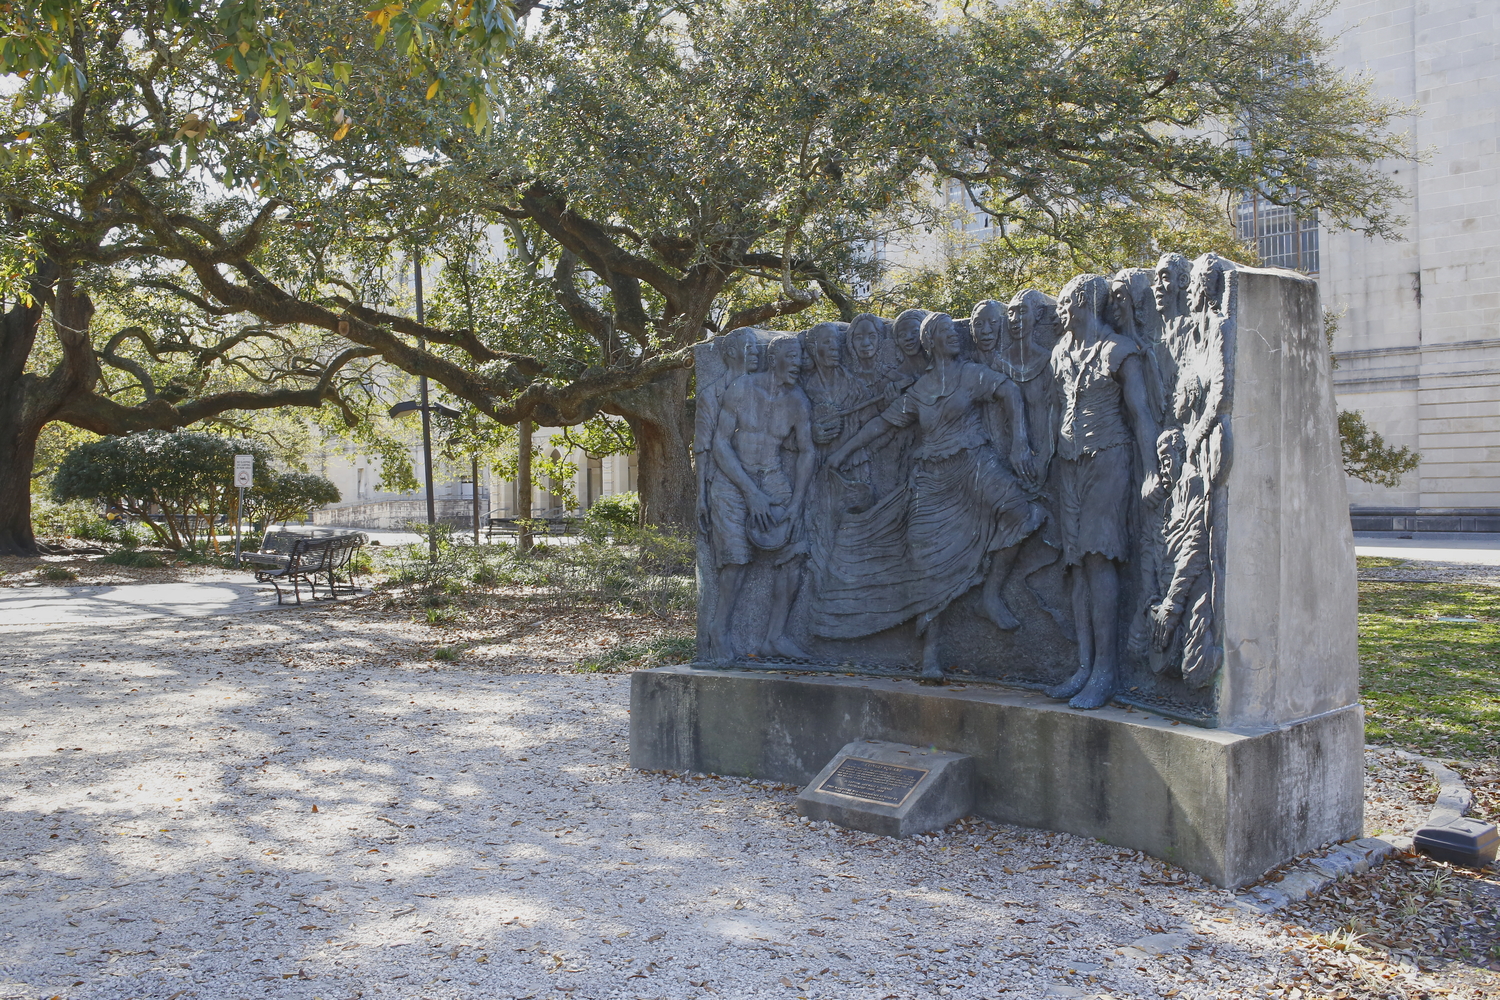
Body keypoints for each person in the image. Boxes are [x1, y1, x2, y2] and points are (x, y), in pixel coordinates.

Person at [817, 312, 1044, 678]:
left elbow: (1010, 392)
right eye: (943, 332)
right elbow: (882, 423)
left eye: (954, 331)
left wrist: (1020, 443)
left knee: (1019, 511)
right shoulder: (920, 390)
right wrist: (842, 452)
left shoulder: (971, 374)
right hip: (931, 477)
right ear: (929, 341)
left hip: (974, 463)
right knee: (926, 558)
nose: (953, 335)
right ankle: (930, 654)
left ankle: (991, 594)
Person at [1044, 274, 1160, 710]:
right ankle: (1084, 666)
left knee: (1098, 558)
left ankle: (1106, 673)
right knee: (1076, 565)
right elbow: (1052, 410)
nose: (1059, 312)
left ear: (1083, 302)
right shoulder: (1061, 353)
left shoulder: (1118, 351)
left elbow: (1142, 414)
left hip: (1109, 459)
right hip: (1069, 465)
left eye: (1064, 302)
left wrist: (1151, 472)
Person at [705, 334, 816, 663]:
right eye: (792, 357)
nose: (798, 363)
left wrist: (795, 505)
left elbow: (808, 451)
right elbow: (720, 444)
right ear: (775, 358)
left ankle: (774, 637)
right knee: (736, 560)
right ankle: (719, 631)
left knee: (796, 550)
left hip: (771, 477)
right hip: (733, 478)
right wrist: (750, 493)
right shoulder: (741, 388)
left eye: (800, 358)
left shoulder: (798, 401)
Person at [695, 327, 760, 535]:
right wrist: (701, 497)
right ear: (732, 352)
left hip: (763, 480)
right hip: (725, 487)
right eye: (750, 348)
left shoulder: (765, 391)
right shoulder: (710, 396)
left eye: (757, 349)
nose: (757, 353)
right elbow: (703, 448)